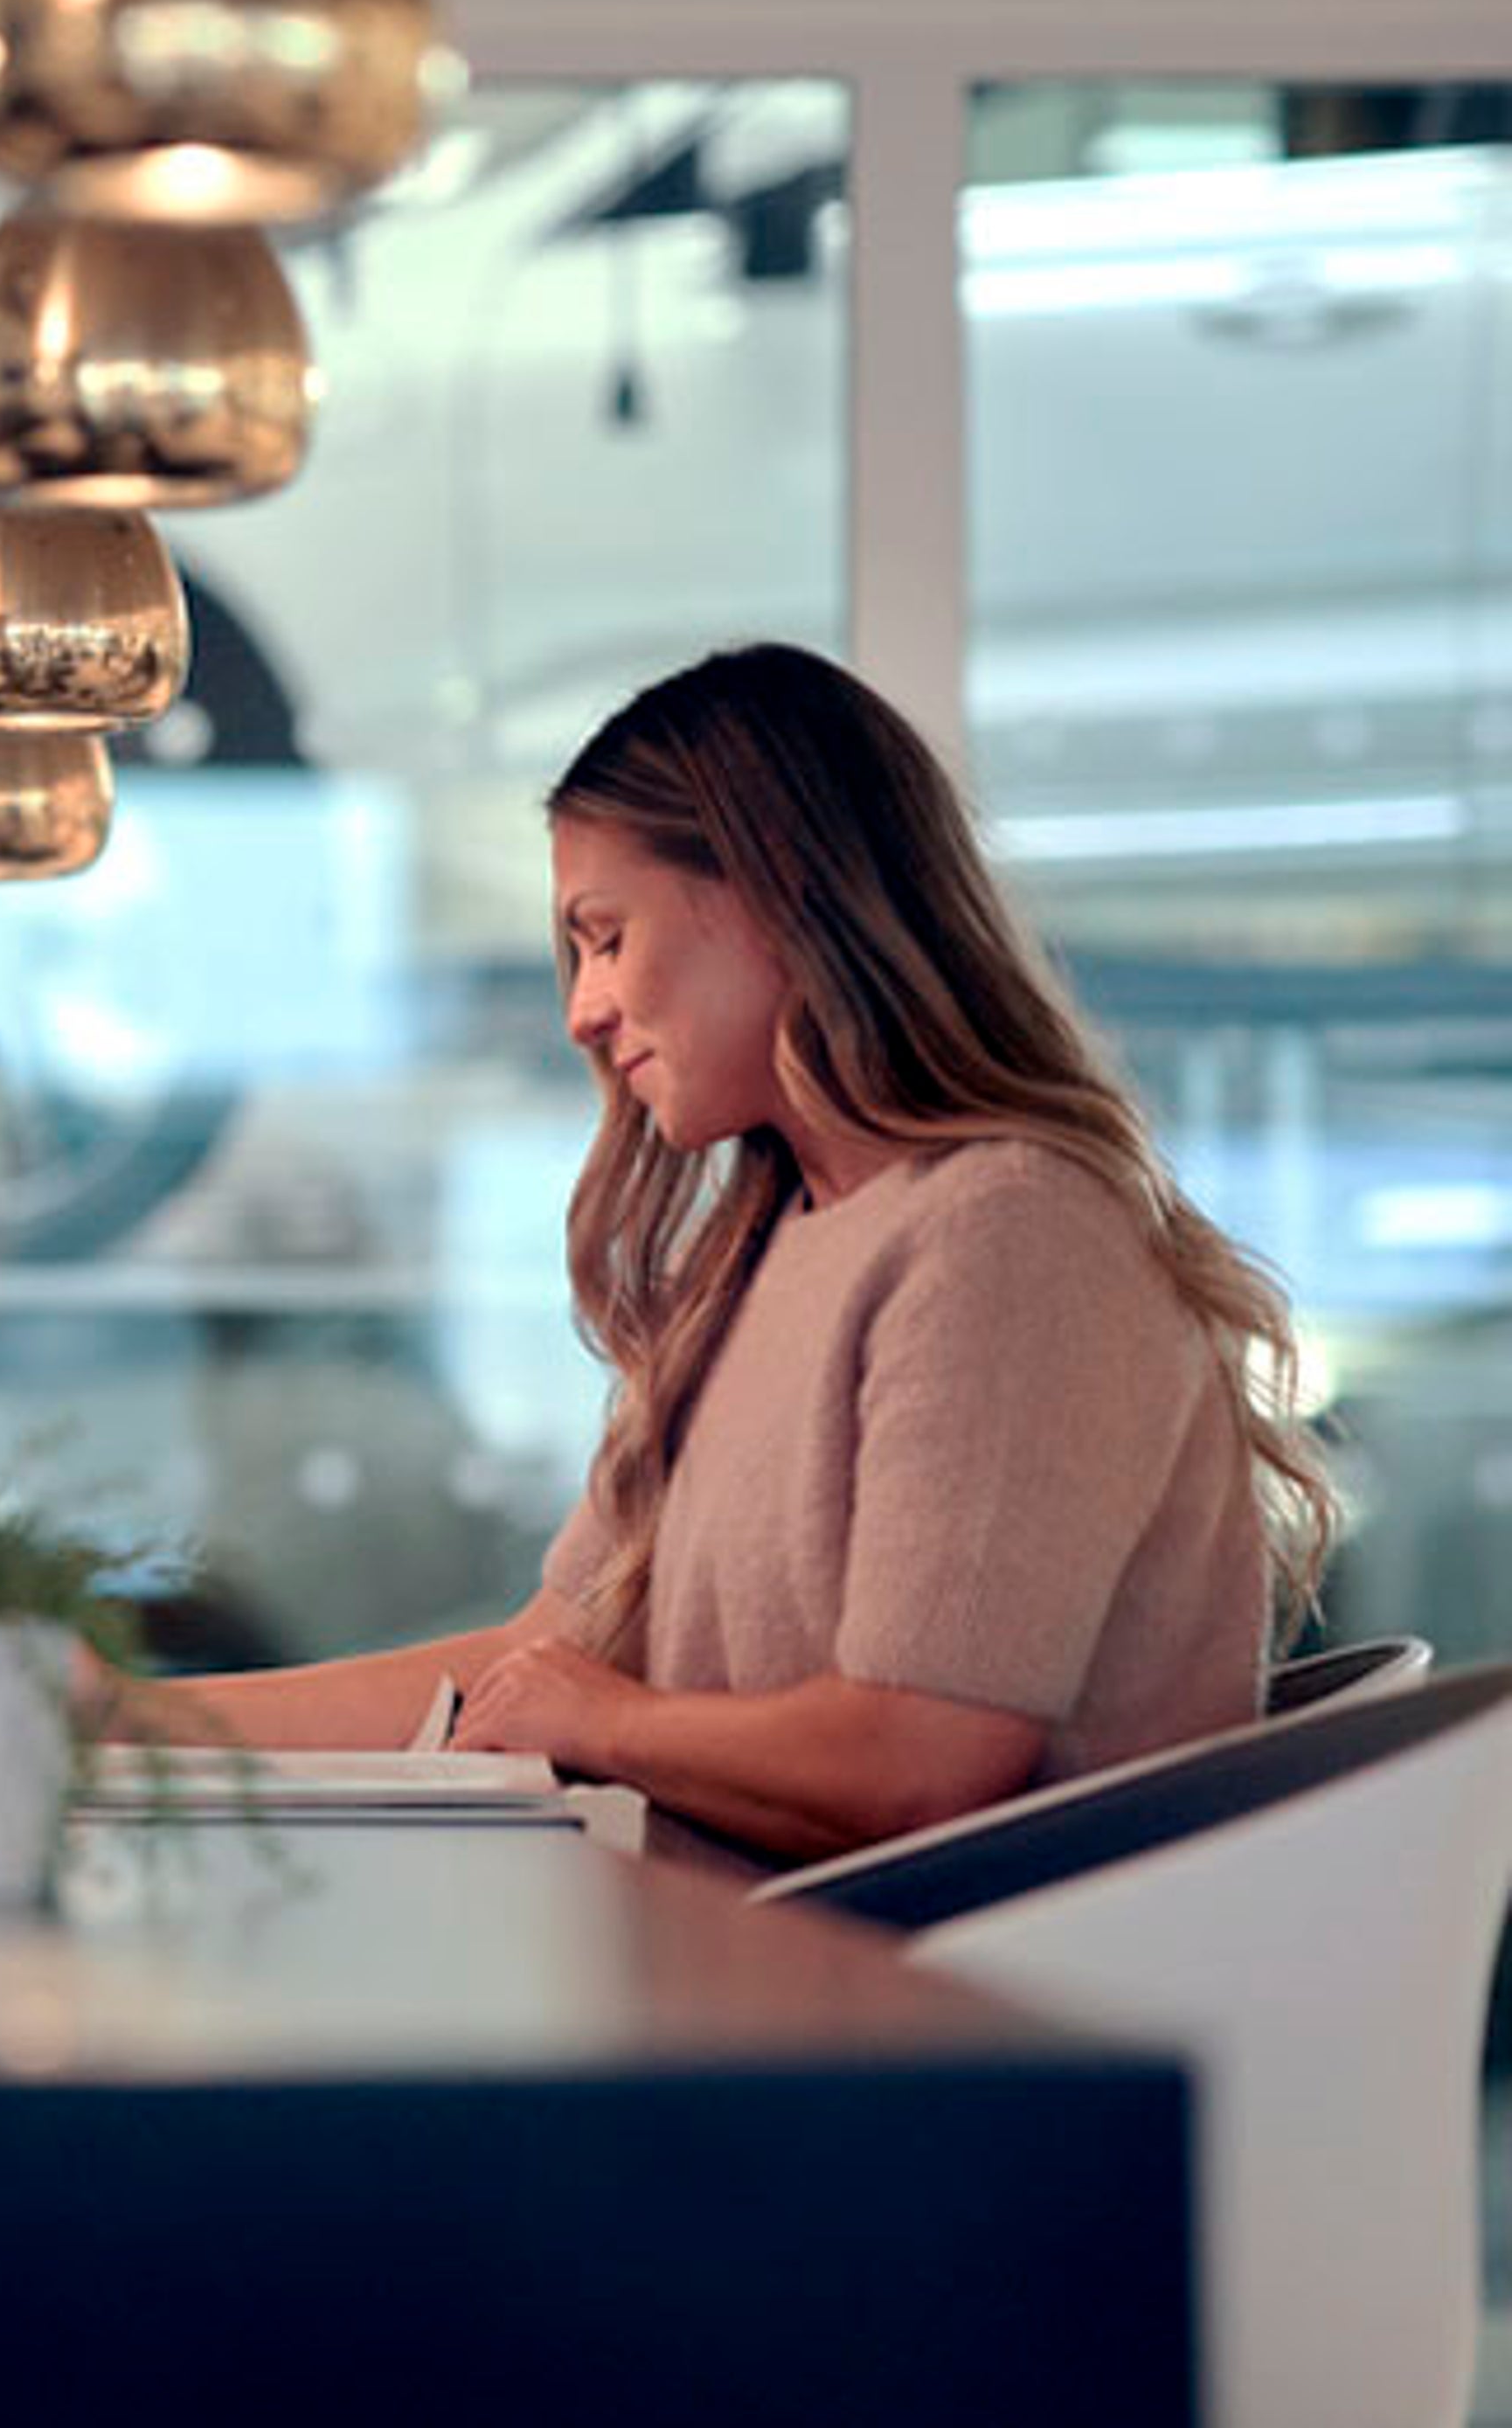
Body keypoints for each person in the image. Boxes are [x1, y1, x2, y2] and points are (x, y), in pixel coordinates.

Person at [103, 642, 1336, 1868]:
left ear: (775, 888)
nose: (582, 1010)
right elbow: (536, 1670)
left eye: (604, 936)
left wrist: (612, 1724)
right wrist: (120, 1717)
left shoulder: (1008, 1233)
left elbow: (920, 1769)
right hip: (779, 1974)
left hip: (959, 2018)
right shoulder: (772, 1243)